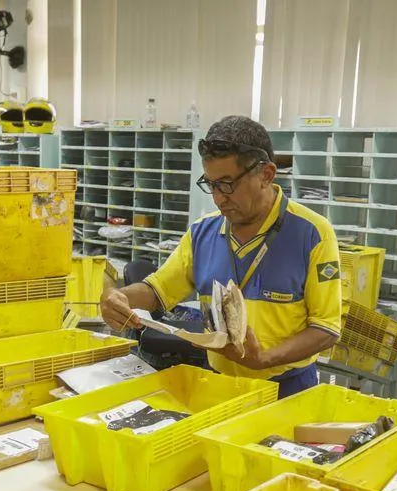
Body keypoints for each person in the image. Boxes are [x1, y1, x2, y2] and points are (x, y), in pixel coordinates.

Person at [100, 115, 342, 398]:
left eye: (228, 184)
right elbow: (158, 290)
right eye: (211, 184)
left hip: (287, 388)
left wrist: (265, 359)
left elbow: (326, 328)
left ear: (266, 174)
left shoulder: (312, 233)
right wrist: (120, 298)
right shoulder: (203, 232)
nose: (218, 197)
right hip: (219, 383)